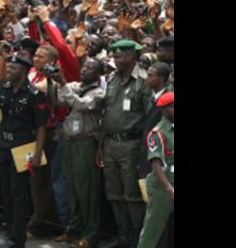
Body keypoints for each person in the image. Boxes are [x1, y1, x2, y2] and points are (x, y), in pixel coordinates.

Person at [0, 53, 47, 248]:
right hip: (4, 147)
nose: (8, 71)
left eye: (13, 68)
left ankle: (18, 238)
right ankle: (10, 234)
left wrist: (38, 154)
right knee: (6, 192)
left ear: (24, 71)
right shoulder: (3, 88)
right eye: (8, 68)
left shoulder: (33, 94)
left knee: (19, 193)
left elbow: (41, 127)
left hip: (23, 147)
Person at [97, 39, 153, 248]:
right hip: (110, 143)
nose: (115, 59)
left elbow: (150, 118)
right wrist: (101, 147)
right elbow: (107, 115)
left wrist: (143, 152)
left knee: (132, 195)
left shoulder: (144, 80)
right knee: (114, 194)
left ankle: (137, 238)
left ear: (132, 56)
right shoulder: (112, 79)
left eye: (120, 55)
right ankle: (123, 236)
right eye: (114, 55)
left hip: (132, 144)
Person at [57, 58, 106, 248]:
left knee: (87, 190)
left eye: (90, 67)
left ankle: (91, 235)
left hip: (85, 143)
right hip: (69, 142)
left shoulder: (99, 93)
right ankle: (74, 229)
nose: (85, 69)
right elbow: (57, 101)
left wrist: (62, 83)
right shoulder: (75, 86)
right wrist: (54, 81)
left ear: (98, 74)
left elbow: (80, 105)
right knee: (73, 189)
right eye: (84, 66)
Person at [137, 91, 174, 248]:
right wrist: (169, 188)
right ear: (165, 110)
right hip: (163, 187)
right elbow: (156, 164)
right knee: (152, 231)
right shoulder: (157, 133)